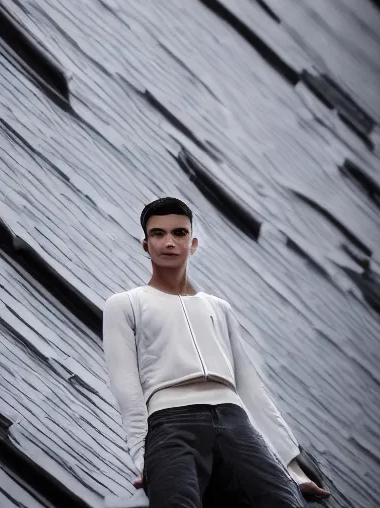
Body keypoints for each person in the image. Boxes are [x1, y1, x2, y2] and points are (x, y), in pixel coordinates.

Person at [103, 197, 331, 507]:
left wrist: (293, 468)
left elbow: (250, 385)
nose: (168, 242)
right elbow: (125, 385)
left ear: (193, 243)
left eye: (179, 233)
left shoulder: (218, 308)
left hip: (235, 422)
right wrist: (145, 459)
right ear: (146, 245)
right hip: (171, 423)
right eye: (158, 234)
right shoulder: (125, 304)